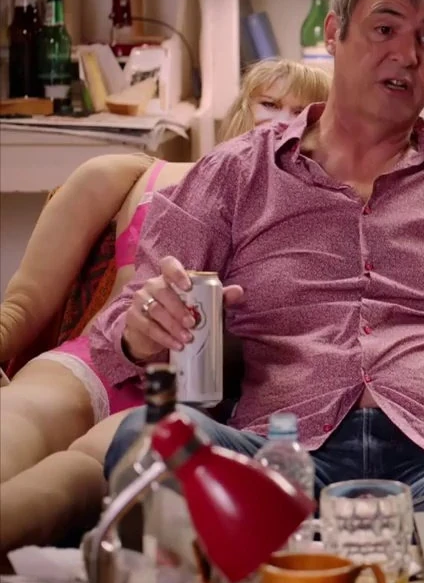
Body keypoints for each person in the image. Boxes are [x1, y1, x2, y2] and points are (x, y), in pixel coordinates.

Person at [94, 0, 424, 512]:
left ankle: (352, 550)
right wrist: (143, 329)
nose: (407, 55)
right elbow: (117, 333)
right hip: (279, 460)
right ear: (333, 32)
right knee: (145, 442)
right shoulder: (235, 173)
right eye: (384, 29)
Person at [0, 59, 330, 553]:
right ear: (243, 106)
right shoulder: (136, 173)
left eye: (303, 112)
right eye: (270, 103)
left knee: (73, 484)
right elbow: (22, 304)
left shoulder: (318, 218)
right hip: (95, 363)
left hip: (196, 403)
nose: (282, 120)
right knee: (15, 419)